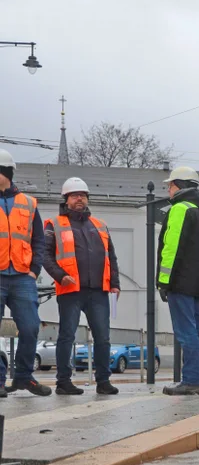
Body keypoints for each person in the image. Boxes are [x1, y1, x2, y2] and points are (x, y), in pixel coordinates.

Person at [41, 177, 120, 395]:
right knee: (67, 335)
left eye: (83, 195)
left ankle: (103, 382)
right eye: (75, 195)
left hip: (99, 291)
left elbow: (111, 257)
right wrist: (60, 276)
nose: (79, 199)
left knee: (103, 337)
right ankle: (63, 382)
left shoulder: (100, 225)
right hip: (70, 290)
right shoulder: (53, 224)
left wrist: (115, 284)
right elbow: (44, 255)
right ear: (66, 199)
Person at [157, 167, 199, 396]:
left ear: (178, 185)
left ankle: (190, 380)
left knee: (186, 331)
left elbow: (171, 248)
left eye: (169, 185)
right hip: (197, 283)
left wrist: (163, 281)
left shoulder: (180, 209)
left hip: (180, 281)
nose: (168, 190)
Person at [0, 149, 51, 397]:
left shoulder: (29, 204)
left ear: (5, 172)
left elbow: (38, 240)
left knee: (30, 327)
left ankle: (23, 377)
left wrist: (34, 271)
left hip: (22, 277)